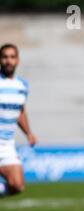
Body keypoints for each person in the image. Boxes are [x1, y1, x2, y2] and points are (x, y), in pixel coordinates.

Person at [0, 43, 37, 198]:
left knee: (17, 185)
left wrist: (28, 133)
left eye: (12, 57)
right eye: (5, 57)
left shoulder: (22, 85)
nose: (9, 61)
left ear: (18, 60)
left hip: (7, 143)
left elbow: (20, 111)